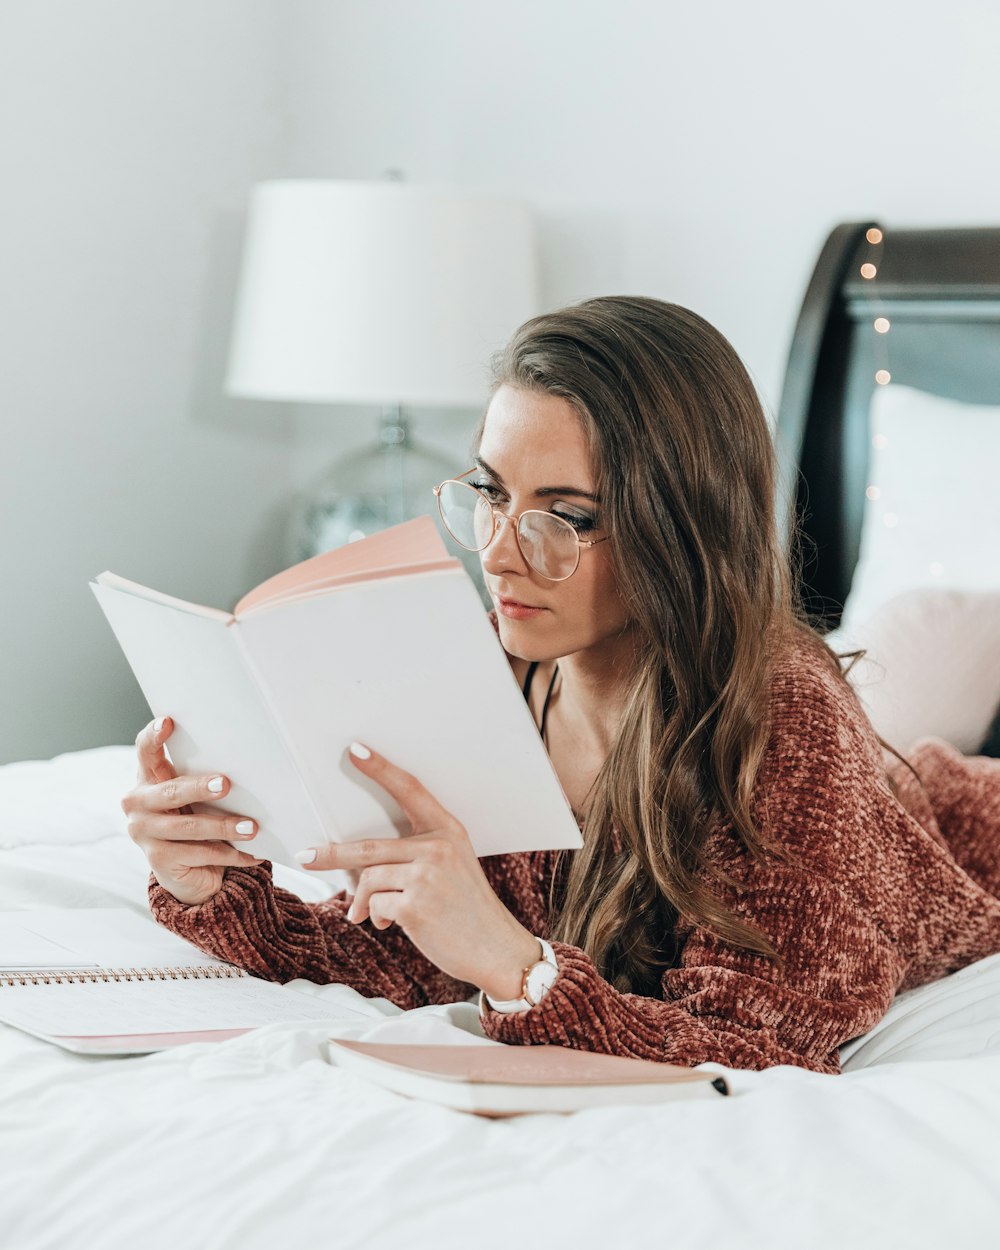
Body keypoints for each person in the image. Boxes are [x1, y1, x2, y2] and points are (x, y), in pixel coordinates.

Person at [123, 297, 1000, 1075]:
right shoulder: (499, 676)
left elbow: (763, 1043)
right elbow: (411, 958)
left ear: (680, 527)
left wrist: (518, 970)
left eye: (567, 517)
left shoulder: (780, 717)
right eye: (490, 494)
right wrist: (213, 884)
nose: (501, 552)